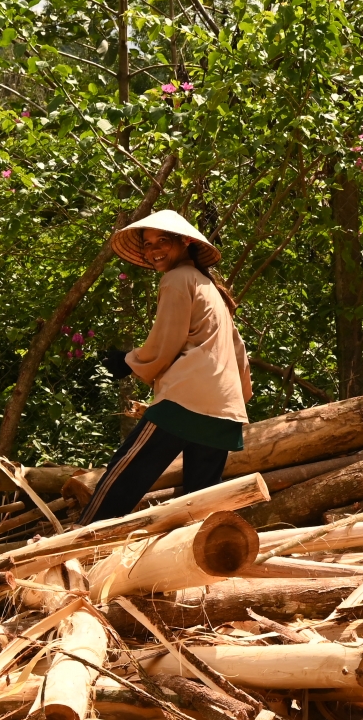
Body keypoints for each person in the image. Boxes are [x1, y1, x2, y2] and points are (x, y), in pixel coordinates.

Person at [83, 209, 251, 523]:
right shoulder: (211, 288)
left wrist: (128, 362)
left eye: (162, 240)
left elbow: (166, 341)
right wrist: (234, 402)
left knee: (122, 478)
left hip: (185, 402)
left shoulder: (176, 279)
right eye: (147, 244)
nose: (154, 249)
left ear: (185, 241)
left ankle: (74, 544)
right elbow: (239, 353)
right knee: (199, 507)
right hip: (224, 411)